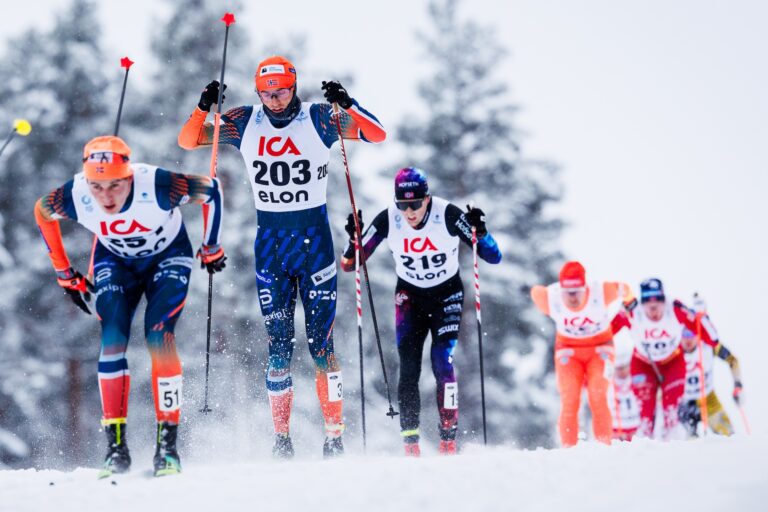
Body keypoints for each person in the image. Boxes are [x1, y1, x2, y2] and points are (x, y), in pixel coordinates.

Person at [178, 55, 386, 458]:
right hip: (271, 244)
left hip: (316, 244)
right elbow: (188, 140)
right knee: (278, 346)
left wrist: (349, 103)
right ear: (259, 92)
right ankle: (281, 440)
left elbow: (376, 135)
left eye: (282, 91)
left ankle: (334, 437)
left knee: (321, 345)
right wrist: (203, 106)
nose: (275, 100)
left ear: (295, 86)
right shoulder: (242, 121)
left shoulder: (320, 118)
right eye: (267, 93)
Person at [33, 135, 225, 477]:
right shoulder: (75, 194)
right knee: (112, 340)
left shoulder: (158, 184)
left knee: (158, 336)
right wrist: (64, 273)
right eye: (97, 186)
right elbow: (42, 211)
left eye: (115, 186)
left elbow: (211, 190)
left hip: (168, 256)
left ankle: (167, 447)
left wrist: (211, 246)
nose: (105, 196)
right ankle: (115, 449)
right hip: (115, 261)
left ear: (130, 176)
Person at [339, 167, 501, 456]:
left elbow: (492, 256)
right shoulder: (389, 219)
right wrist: (353, 241)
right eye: (403, 204)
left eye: (415, 204)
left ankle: (448, 439)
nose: (409, 212)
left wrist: (482, 232)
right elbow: (351, 264)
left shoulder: (447, 214)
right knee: (409, 367)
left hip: (446, 295)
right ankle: (410, 443)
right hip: (410, 297)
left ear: (427, 199)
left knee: (442, 360)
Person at [530, 262, 632, 447]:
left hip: (601, 349)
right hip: (568, 351)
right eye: (568, 292)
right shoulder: (549, 297)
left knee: (598, 395)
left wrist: (629, 301)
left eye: (577, 291)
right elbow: (535, 291)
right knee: (570, 399)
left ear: (585, 287)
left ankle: (604, 445)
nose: (573, 297)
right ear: (561, 288)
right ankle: (569, 448)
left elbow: (626, 289)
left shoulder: (601, 291)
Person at [612, 278, 719, 439]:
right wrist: (620, 312)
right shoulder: (633, 311)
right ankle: (643, 449)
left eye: (658, 300)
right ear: (642, 302)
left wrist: (701, 316)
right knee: (645, 415)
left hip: (672, 363)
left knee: (671, 412)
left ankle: (671, 449)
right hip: (643, 364)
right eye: (648, 301)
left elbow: (712, 338)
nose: (653, 306)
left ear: (664, 299)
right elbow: (606, 332)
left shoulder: (675, 309)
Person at [679, 327, 743, 437]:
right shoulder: (672, 348)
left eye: (692, 334)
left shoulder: (709, 345)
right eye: (685, 335)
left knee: (730, 437)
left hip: (708, 399)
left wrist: (737, 384)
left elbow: (732, 360)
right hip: (683, 403)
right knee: (688, 444)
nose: (688, 339)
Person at [612, 346, 641, 441]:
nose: (621, 371)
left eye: (623, 367)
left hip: (635, 426)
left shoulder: (637, 379)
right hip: (617, 428)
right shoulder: (609, 383)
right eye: (618, 368)